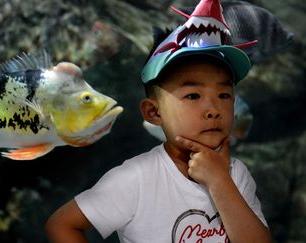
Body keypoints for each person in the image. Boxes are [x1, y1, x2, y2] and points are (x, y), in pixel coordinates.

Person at [45, 0, 271, 242]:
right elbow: (62, 225)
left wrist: (220, 181)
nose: (213, 109)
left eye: (224, 95)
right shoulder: (137, 178)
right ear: (153, 113)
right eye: (193, 95)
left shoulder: (236, 174)